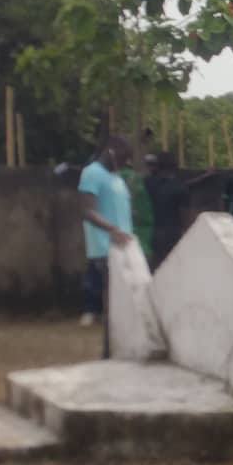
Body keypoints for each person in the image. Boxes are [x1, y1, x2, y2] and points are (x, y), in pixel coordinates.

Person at [77, 136, 136, 336]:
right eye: (122, 158)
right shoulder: (92, 173)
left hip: (122, 243)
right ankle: (98, 317)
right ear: (111, 151)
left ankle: (110, 321)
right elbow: (87, 210)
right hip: (104, 243)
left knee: (119, 289)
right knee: (105, 285)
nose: (124, 164)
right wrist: (112, 229)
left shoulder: (116, 176)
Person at [142, 152, 216, 269]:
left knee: (152, 268)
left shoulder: (147, 183)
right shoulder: (179, 189)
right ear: (175, 167)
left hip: (150, 233)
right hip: (171, 235)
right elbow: (185, 218)